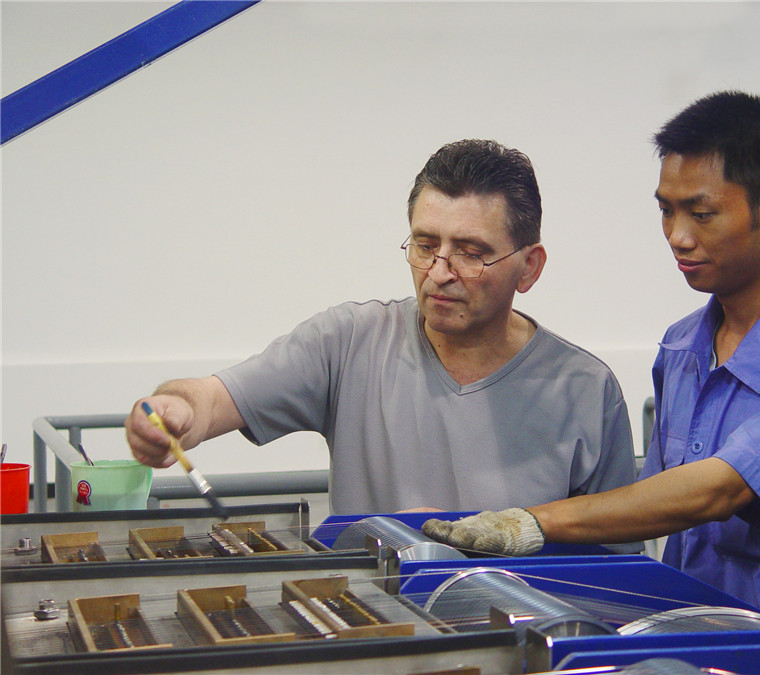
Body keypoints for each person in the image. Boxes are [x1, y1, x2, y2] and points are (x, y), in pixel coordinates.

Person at [424, 93, 760, 643]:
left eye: (701, 213)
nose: (678, 236)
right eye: (666, 211)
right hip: (698, 646)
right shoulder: (681, 348)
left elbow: (717, 491)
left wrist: (529, 522)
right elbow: (656, 504)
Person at [125, 139, 638, 526]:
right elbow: (213, 398)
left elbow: (613, 569)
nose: (439, 271)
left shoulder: (586, 391)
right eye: (425, 245)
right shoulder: (349, 343)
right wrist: (177, 409)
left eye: (471, 253)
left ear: (529, 267)